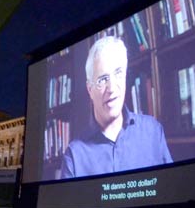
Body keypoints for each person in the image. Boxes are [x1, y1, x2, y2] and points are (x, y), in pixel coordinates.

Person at [60, 36, 172, 179]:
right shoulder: (74, 156)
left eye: (118, 73)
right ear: (90, 89)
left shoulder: (153, 131)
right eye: (102, 79)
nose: (112, 88)